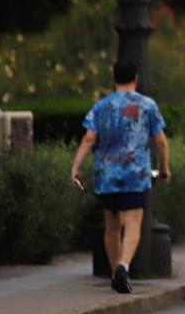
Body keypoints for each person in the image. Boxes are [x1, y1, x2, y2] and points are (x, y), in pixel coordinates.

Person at [70, 60, 170, 294]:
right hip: (136, 174)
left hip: (107, 175)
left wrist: (76, 167)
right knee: (133, 222)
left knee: (112, 225)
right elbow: (161, 140)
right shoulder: (147, 105)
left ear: (114, 79)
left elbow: (89, 139)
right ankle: (124, 266)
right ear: (136, 78)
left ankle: (116, 272)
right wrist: (164, 167)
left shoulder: (101, 106)